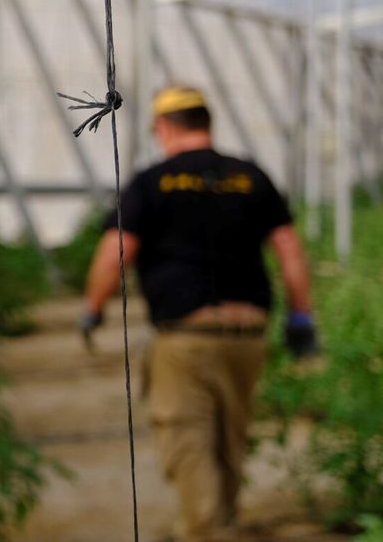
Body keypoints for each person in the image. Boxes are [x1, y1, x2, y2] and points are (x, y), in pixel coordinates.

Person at [81, 85, 317, 542]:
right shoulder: (250, 176)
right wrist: (301, 317)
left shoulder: (153, 181)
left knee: (187, 435)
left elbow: (116, 252)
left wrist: (93, 309)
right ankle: (221, 521)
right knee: (231, 435)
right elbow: (289, 248)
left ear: (163, 127)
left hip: (186, 334)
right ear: (207, 122)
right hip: (248, 332)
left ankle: (206, 530)